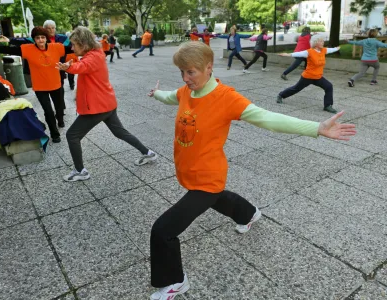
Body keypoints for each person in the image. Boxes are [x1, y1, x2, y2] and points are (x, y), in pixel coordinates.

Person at [146, 41, 356, 300]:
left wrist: (315, 127)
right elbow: (171, 96)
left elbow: (267, 118)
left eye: (190, 72)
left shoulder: (226, 98)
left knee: (163, 230)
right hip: (190, 171)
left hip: (207, 177)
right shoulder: (186, 92)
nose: (185, 78)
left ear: (208, 67)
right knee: (218, 199)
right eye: (182, 72)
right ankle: (249, 214)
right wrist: (156, 93)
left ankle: (175, 282)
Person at [55, 26, 157, 182]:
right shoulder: (95, 54)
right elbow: (84, 69)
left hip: (98, 107)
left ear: (83, 44)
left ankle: (80, 171)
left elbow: (82, 67)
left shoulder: (93, 57)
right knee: (120, 132)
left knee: (72, 135)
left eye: (74, 44)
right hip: (106, 103)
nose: (72, 47)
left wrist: (68, 67)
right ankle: (148, 153)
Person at [0, 27, 73, 143]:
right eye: (37, 38)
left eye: (43, 37)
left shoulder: (56, 47)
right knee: (48, 111)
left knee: (59, 107)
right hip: (40, 87)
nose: (41, 40)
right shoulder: (28, 49)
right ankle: (55, 134)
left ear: (46, 38)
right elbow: (11, 50)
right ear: (34, 39)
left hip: (56, 85)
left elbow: (72, 49)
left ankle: (60, 119)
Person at [277, 37, 340, 114]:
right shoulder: (309, 52)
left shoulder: (323, 50)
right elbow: (299, 54)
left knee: (329, 86)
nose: (323, 42)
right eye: (320, 41)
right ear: (316, 43)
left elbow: (331, 50)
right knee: (296, 88)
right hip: (308, 77)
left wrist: (336, 48)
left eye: (323, 41)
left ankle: (327, 106)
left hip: (318, 77)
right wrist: (288, 54)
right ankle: (280, 95)